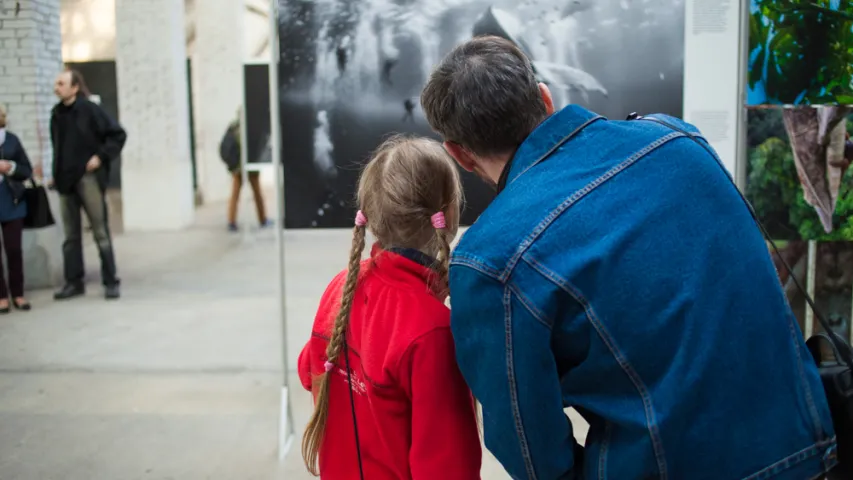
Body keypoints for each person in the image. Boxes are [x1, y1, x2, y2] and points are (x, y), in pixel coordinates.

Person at [419, 35, 837, 479]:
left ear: (460, 155)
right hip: (807, 448)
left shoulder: (489, 259)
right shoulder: (677, 139)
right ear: (545, 97)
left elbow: (529, 447)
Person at [297, 135, 482, 479]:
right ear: (448, 212)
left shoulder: (341, 287)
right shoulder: (434, 332)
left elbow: (309, 370)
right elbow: (448, 466)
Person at [49, 69, 126, 300]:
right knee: (71, 236)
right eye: (56, 83)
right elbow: (59, 148)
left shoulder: (90, 110)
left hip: (88, 178)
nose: (57, 87)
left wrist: (100, 157)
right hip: (65, 181)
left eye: (61, 83)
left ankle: (110, 281)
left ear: (74, 87)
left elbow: (117, 135)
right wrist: (56, 173)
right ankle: (74, 282)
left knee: (100, 231)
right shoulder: (56, 114)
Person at [0, 105, 33, 312]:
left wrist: (10, 167)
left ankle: (18, 294)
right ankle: (1, 297)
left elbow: (26, 170)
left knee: (13, 249)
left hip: (11, 200)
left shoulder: (11, 140)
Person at [219, 114, 270, 232]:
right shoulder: (252, 127)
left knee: (235, 195)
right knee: (257, 193)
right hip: (250, 166)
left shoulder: (233, 126)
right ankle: (262, 219)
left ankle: (231, 221)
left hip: (237, 167)